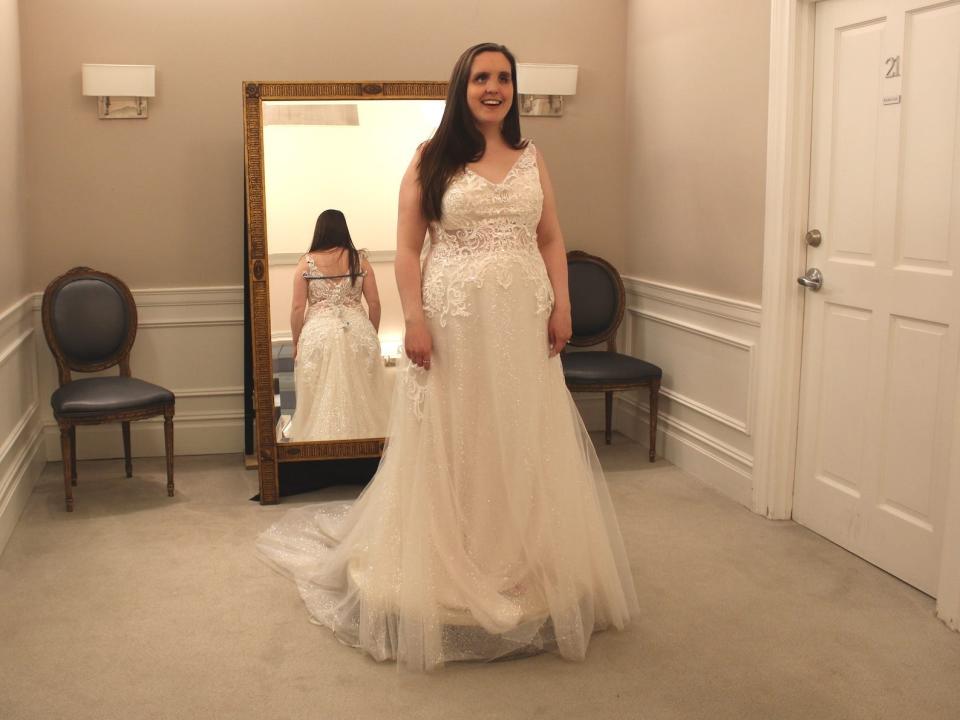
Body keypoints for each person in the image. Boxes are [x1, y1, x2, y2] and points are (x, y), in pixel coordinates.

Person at [258, 43, 639, 670]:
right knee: (458, 429)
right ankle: (456, 553)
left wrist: (563, 305)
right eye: (482, 77)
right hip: (454, 321)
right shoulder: (430, 160)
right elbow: (407, 250)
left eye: (505, 78)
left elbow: (550, 236)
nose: (494, 87)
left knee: (518, 428)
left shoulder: (531, 158)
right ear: (462, 86)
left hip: (522, 321)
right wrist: (416, 320)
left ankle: (518, 553)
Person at [282, 209, 389, 441]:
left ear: (319, 231)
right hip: (359, 332)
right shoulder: (360, 260)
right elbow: (375, 304)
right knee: (361, 394)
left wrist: (296, 342)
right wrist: (372, 334)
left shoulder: (306, 263)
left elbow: (297, 309)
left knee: (320, 393)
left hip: (318, 335)